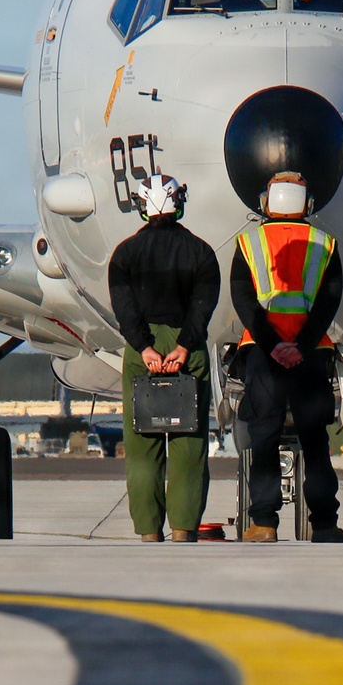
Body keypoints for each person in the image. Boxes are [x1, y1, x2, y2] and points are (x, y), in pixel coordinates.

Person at [230, 170, 343, 543]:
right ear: (306, 204)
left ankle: (264, 523)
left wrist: (272, 345)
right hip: (310, 357)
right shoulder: (325, 243)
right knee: (315, 442)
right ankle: (325, 525)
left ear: (266, 202)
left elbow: (244, 301)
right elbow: (330, 302)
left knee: (264, 438)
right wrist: (303, 345)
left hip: (264, 357)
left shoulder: (248, 244)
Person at [108, 173, 220, 542]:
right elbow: (203, 306)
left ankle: (147, 532)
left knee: (143, 444)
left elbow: (124, 310)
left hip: (145, 351)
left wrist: (145, 348)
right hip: (187, 350)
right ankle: (183, 530)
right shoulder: (201, 253)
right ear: (179, 204)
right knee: (189, 444)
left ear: (142, 207)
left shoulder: (123, 255)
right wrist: (185, 347)